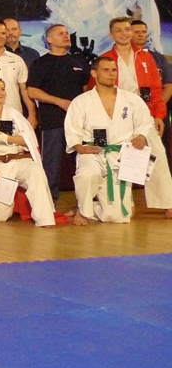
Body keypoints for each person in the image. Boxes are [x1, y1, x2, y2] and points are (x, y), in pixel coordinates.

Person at [65, 56, 153, 224]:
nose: (111, 74)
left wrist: (141, 136)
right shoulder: (82, 101)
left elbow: (145, 121)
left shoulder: (131, 99)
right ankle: (82, 211)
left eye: (114, 70)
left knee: (118, 217)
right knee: (88, 173)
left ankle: (96, 207)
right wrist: (79, 147)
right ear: (94, 73)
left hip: (120, 154)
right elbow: (72, 128)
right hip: (92, 152)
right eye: (106, 70)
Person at [99, 16, 172, 218]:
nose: (124, 33)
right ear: (111, 35)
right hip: (116, 112)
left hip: (143, 111)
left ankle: (167, 202)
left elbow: (156, 89)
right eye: (119, 30)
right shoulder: (105, 58)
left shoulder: (146, 57)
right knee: (119, 157)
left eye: (127, 29)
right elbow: (97, 89)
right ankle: (125, 203)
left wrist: (158, 115)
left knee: (157, 153)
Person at [0, 78, 57, 226]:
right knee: (0, 216)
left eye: (2, 89)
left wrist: (7, 138)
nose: (0, 93)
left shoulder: (13, 113)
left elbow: (28, 139)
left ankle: (45, 219)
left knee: (36, 171)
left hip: (18, 160)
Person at [26, 23, 89, 206]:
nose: (66, 36)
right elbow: (32, 91)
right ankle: (47, 204)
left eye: (67, 33)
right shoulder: (40, 63)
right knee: (51, 165)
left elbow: (86, 90)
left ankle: (84, 204)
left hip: (79, 123)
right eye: (61, 33)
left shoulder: (79, 62)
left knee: (84, 162)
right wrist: (59, 102)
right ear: (49, 39)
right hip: (53, 121)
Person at [0, 20, 37, 127]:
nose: (0, 36)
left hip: (15, 114)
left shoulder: (17, 60)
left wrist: (32, 114)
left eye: (3, 33)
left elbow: (24, 90)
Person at [131, 19, 172, 153]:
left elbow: (168, 86)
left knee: (161, 151)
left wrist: (156, 108)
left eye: (143, 32)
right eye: (136, 32)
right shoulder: (122, 58)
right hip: (131, 114)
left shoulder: (158, 58)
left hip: (156, 112)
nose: (141, 35)